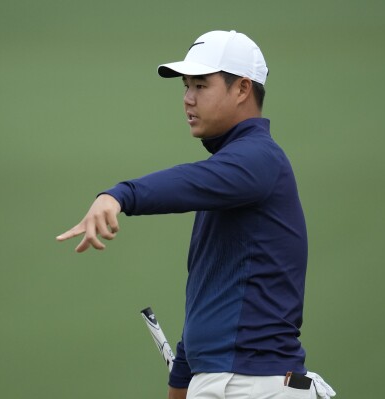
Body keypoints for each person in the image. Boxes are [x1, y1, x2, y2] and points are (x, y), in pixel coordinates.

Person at [57, 30, 336, 399]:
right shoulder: (234, 175)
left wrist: (120, 195)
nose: (188, 99)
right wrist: (181, 382)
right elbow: (211, 297)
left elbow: (189, 181)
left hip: (260, 388)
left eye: (201, 86)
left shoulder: (259, 160)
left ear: (242, 89)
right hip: (226, 383)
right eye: (186, 87)